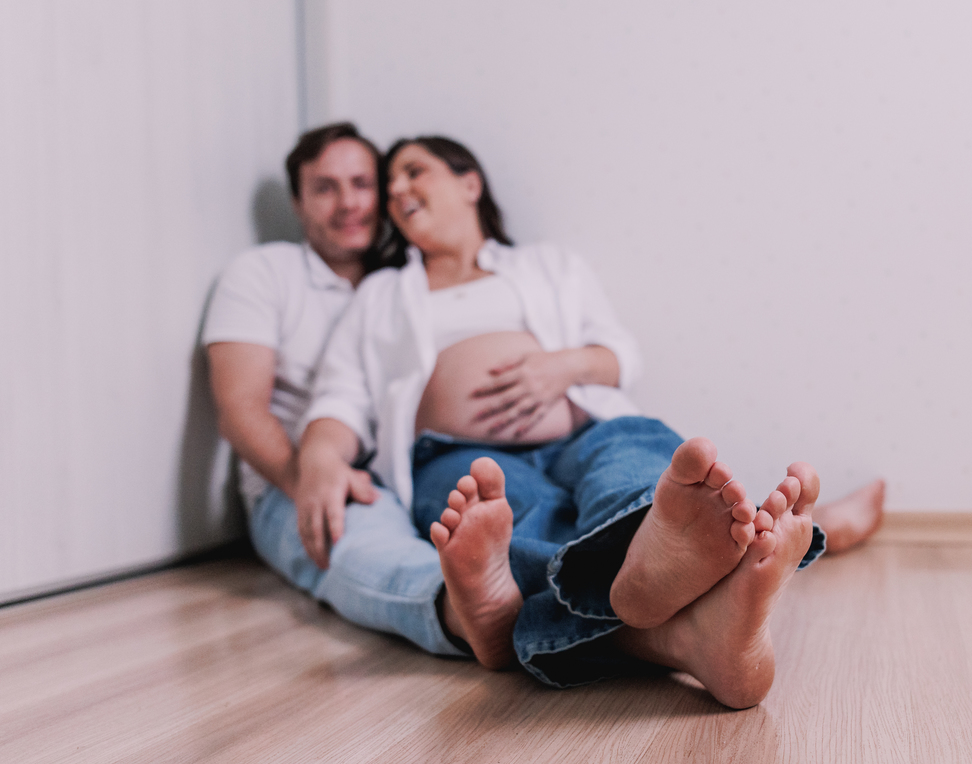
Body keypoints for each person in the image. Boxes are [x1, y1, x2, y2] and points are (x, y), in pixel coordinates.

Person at [294, 136, 831, 707]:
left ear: (469, 183)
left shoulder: (546, 266)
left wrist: (562, 367)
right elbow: (340, 398)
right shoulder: (380, 295)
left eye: (414, 171)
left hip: (583, 426)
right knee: (517, 516)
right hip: (460, 453)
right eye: (391, 181)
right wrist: (320, 458)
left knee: (635, 455)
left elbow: (620, 354)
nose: (396, 189)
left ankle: (651, 547)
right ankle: (691, 630)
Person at [203, 123, 470, 658]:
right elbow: (239, 411)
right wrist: (309, 478)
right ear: (299, 204)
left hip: (407, 468)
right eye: (325, 188)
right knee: (368, 548)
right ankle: (463, 611)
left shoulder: (407, 280)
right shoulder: (262, 274)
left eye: (361, 184)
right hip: (295, 476)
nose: (348, 202)